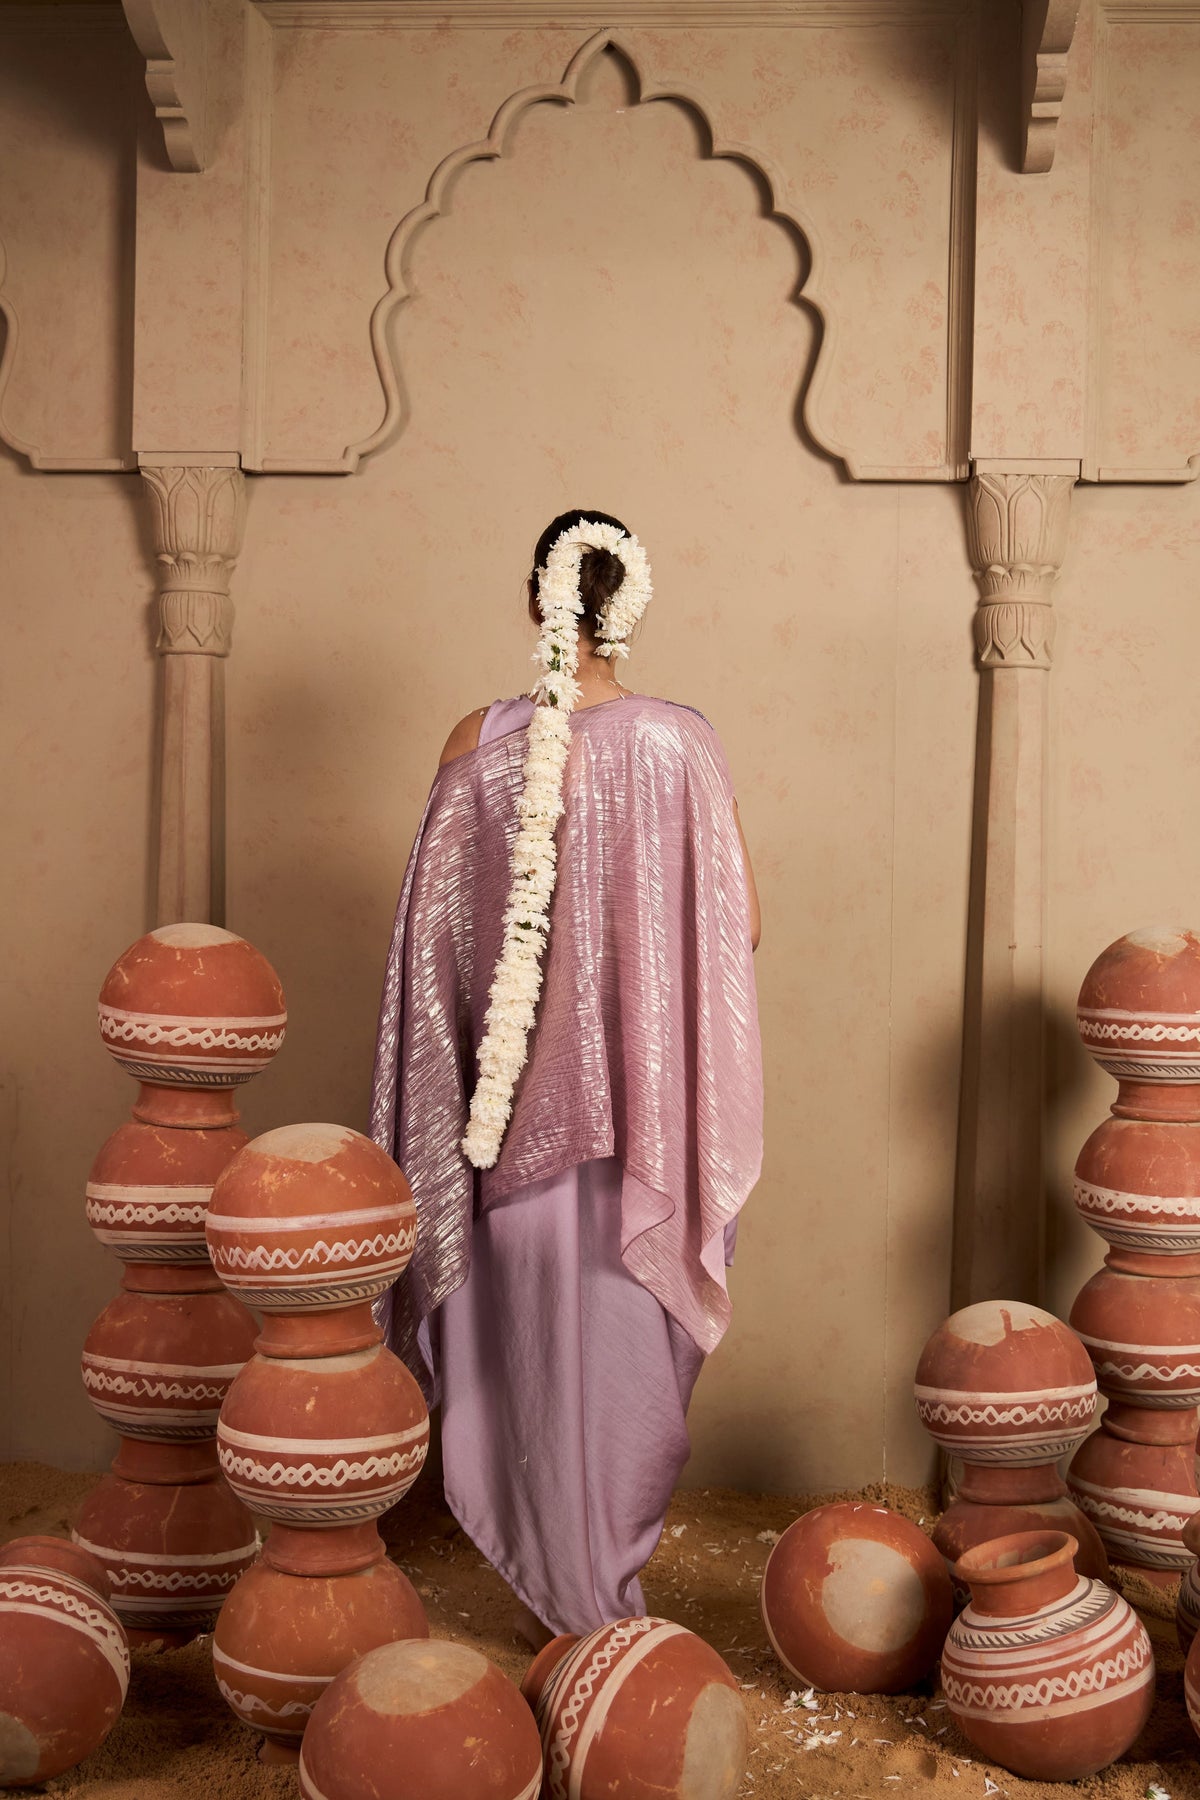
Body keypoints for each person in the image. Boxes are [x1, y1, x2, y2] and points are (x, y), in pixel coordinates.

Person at [370, 509, 763, 1641]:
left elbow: (432, 951)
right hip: (644, 1134)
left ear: (531, 601)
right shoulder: (681, 743)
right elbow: (740, 928)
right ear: (628, 608)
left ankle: (555, 1588)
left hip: (506, 1134)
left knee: (527, 1348)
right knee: (625, 1345)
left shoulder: (474, 739)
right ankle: (604, 1607)